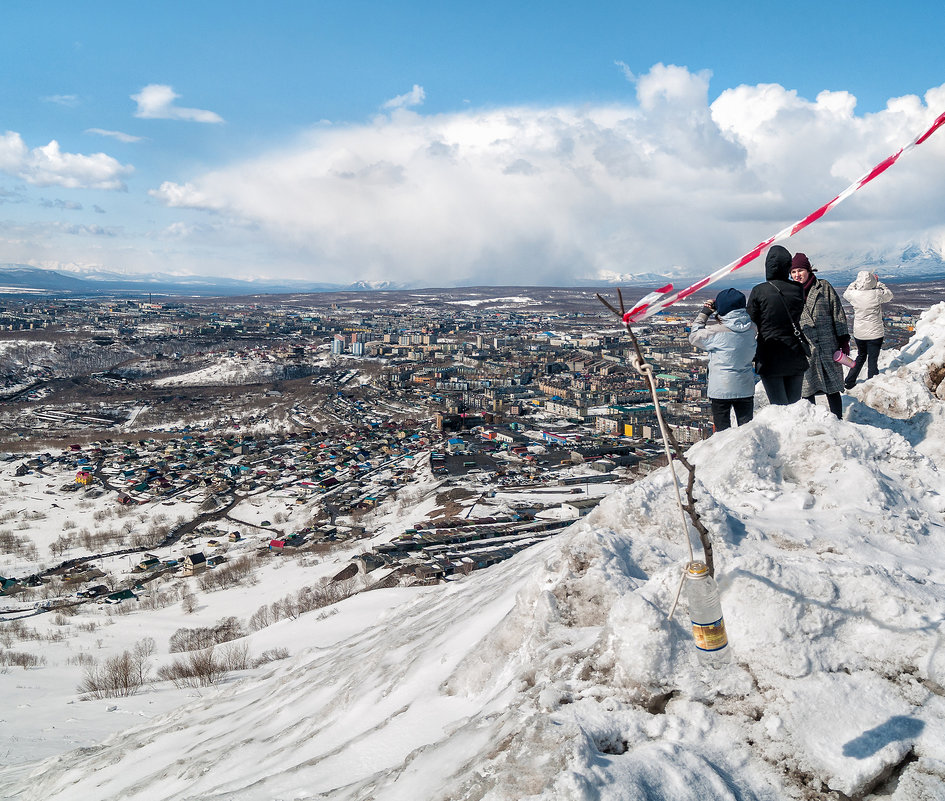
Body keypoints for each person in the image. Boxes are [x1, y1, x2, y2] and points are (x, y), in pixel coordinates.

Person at [789, 253, 849, 420]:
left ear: (808, 270)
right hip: (805, 347)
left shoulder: (823, 287)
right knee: (807, 388)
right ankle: (813, 421)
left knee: (833, 387)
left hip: (828, 344)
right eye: (793, 272)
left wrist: (843, 339)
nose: (797, 275)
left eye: (800, 270)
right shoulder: (789, 293)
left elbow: (837, 312)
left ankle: (838, 419)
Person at [747, 244, 809, 405]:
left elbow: (750, 321)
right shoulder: (797, 289)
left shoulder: (759, 291)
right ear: (787, 266)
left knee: (779, 407)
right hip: (795, 352)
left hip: (769, 354)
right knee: (794, 406)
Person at [689, 288, 757, 431]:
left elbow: (694, 337)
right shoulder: (752, 328)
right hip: (745, 386)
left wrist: (705, 313)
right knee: (746, 431)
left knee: (722, 433)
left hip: (720, 388)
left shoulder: (715, 332)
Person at [843, 270, 894, 388]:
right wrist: (878, 283)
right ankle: (872, 384)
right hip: (875, 333)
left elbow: (846, 293)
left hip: (859, 334)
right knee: (872, 359)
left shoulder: (854, 295)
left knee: (861, 356)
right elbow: (889, 294)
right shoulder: (876, 293)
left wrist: (856, 283)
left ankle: (849, 381)